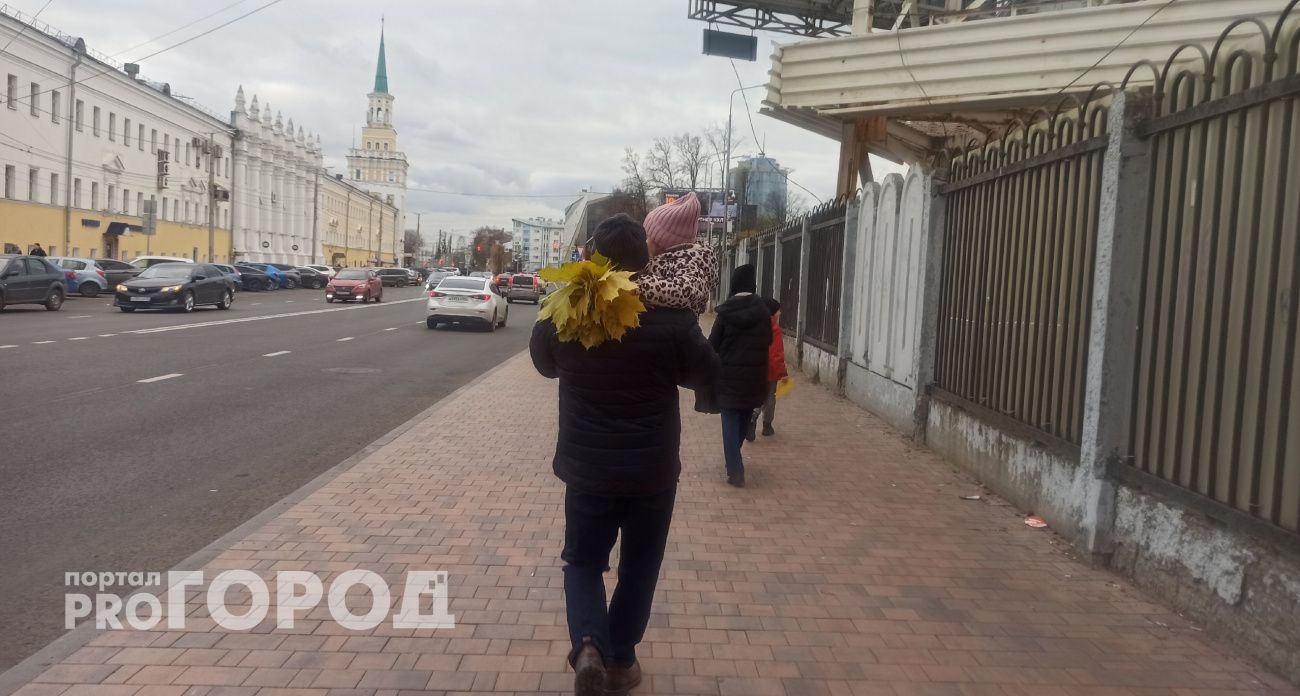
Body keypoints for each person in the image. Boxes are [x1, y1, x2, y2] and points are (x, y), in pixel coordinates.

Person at [530, 213, 719, 696]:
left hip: (587, 467)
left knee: (583, 561)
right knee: (641, 562)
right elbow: (706, 375)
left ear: (594, 256)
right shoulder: (672, 316)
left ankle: (589, 646)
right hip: (652, 471)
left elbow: (544, 364)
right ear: (647, 258)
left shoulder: (566, 308)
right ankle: (620, 658)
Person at [708, 264, 772, 487]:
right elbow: (768, 341)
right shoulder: (763, 311)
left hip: (728, 377)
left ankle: (735, 469)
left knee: (730, 420)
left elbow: (712, 344)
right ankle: (734, 460)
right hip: (755, 377)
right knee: (744, 418)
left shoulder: (726, 313)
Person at [637, 192, 718, 315]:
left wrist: (637, 286)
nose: (645, 241)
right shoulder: (666, 259)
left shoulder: (691, 261)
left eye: (649, 236)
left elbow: (685, 290)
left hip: (674, 332)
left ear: (662, 243)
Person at [747, 297, 787, 441]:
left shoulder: (754, 325)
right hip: (770, 370)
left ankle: (751, 417)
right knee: (770, 397)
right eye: (778, 311)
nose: (780, 313)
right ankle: (767, 424)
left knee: (758, 395)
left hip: (756, 368)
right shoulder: (774, 329)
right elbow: (776, 354)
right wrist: (782, 373)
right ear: (772, 314)